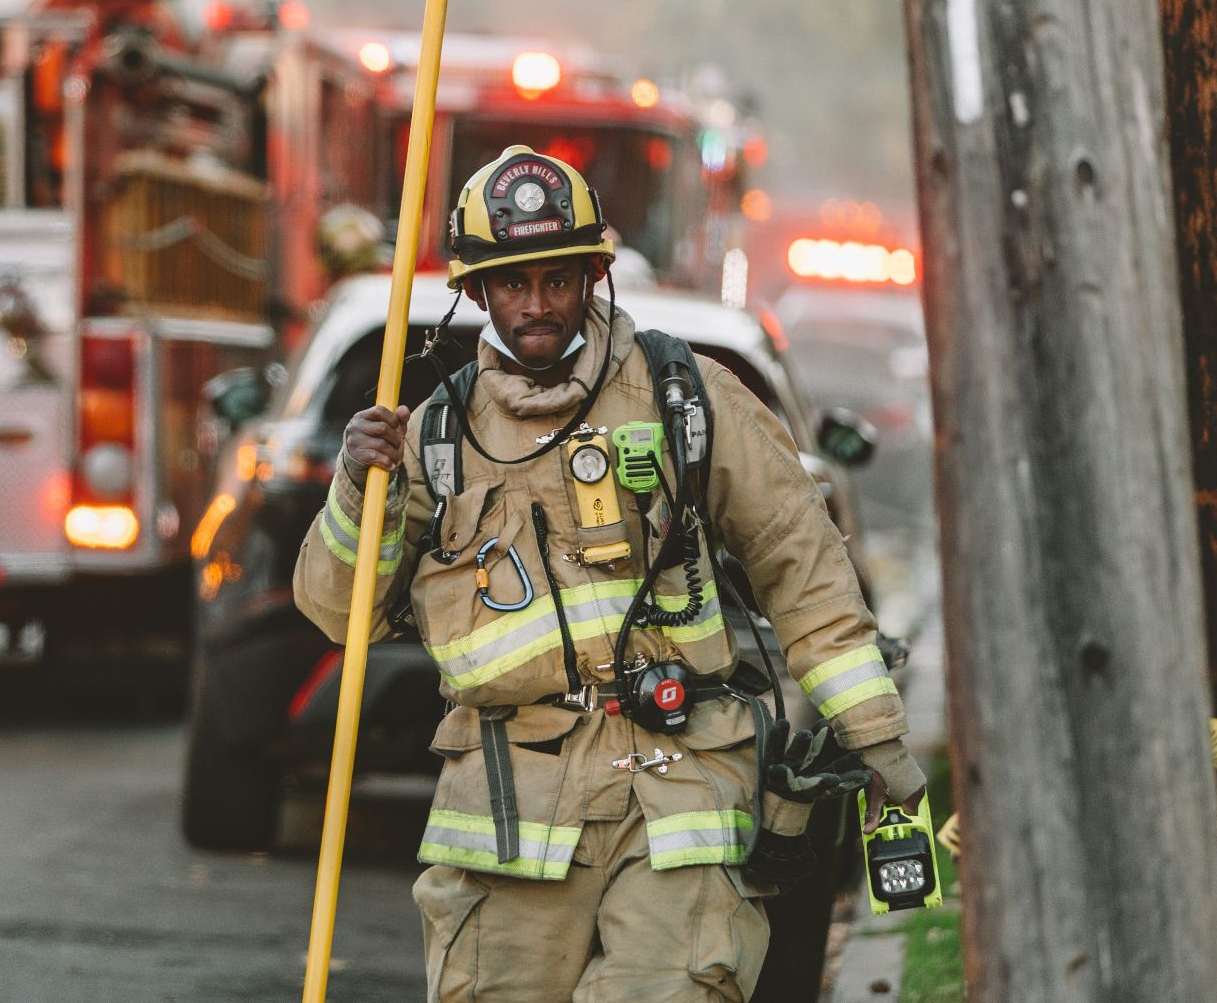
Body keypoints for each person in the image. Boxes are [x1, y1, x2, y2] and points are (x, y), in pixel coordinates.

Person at [292, 145, 925, 1002]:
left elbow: (804, 571)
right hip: (508, 811)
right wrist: (357, 493)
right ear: (476, 291)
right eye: (513, 283)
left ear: (596, 275)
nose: (538, 304)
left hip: (682, 797)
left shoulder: (688, 399)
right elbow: (342, 617)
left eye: (559, 279)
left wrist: (879, 745)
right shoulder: (432, 438)